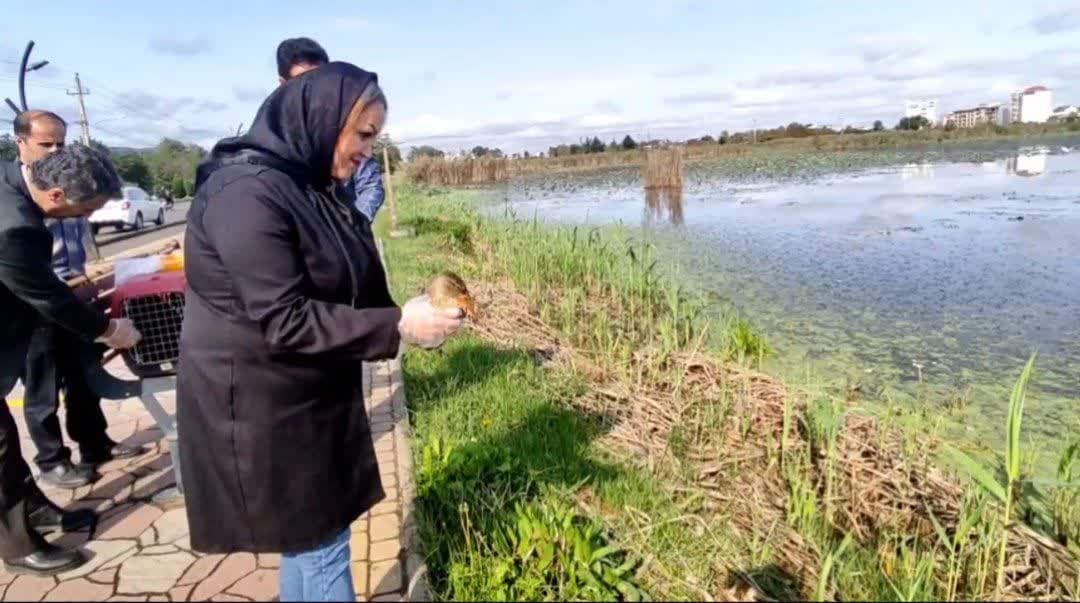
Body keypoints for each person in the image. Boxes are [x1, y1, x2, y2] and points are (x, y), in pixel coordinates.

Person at [179, 62, 462, 602]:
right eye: (363, 135)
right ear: (320, 118)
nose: (366, 151)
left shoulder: (306, 185)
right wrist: (397, 324)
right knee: (323, 546)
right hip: (265, 409)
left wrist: (406, 313)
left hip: (304, 394)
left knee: (310, 542)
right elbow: (285, 317)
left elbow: (345, 267)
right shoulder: (247, 193)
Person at [1, 139, 143, 575]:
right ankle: (17, 548)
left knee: (4, 446)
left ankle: (37, 512)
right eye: (85, 211)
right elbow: (46, 296)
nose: (85, 219)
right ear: (57, 194)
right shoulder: (14, 226)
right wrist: (110, 330)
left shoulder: (12, 185)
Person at [14, 112, 146, 490]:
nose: (55, 150)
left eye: (60, 143)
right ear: (21, 142)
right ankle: (53, 460)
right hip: (35, 304)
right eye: (46, 144)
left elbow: (75, 241)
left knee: (82, 373)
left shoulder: (73, 179)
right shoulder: (20, 197)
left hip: (72, 294)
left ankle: (94, 441)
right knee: (42, 385)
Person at [277, 37, 386, 223]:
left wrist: (352, 228)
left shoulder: (347, 130)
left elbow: (370, 186)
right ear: (283, 84)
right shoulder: (271, 141)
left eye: (319, 81)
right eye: (301, 82)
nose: (311, 91)